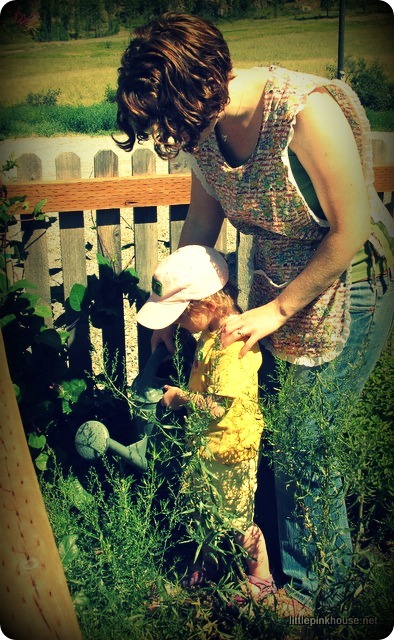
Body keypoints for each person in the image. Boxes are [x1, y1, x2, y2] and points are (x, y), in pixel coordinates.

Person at [115, 13, 394, 615]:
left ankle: (317, 597)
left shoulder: (303, 114)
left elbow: (351, 230)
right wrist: (170, 315)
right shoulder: (207, 137)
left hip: (353, 281)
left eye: (165, 121)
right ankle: (268, 569)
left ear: (194, 92)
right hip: (278, 283)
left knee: (304, 440)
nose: (166, 139)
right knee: (275, 429)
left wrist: (276, 312)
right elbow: (201, 229)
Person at [136, 244, 276, 603]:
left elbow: (216, 409)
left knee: (236, 519)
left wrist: (179, 398)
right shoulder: (213, 334)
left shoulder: (234, 347)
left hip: (232, 451)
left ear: (209, 306)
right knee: (209, 510)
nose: (179, 323)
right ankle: (211, 565)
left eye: (182, 315)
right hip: (210, 447)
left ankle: (261, 577)